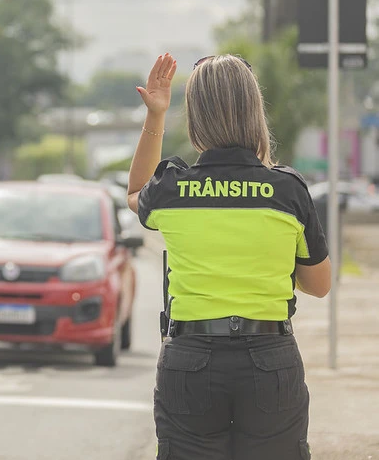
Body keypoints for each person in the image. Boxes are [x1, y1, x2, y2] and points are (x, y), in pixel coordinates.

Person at [127, 53, 331, 460]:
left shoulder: (173, 189)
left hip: (190, 360)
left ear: (196, 117)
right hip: (270, 360)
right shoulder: (287, 191)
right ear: (254, 111)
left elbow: (134, 192)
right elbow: (320, 285)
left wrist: (155, 116)